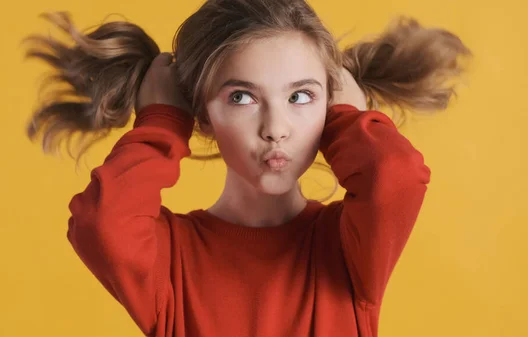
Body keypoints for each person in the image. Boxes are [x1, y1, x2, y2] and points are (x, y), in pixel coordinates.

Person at [23, 0, 470, 336]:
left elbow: (396, 176)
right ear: (200, 115)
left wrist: (348, 121)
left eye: (301, 96)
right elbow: (102, 223)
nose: (276, 128)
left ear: (330, 106)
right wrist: (161, 122)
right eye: (242, 97)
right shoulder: (171, 257)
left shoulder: (349, 248)